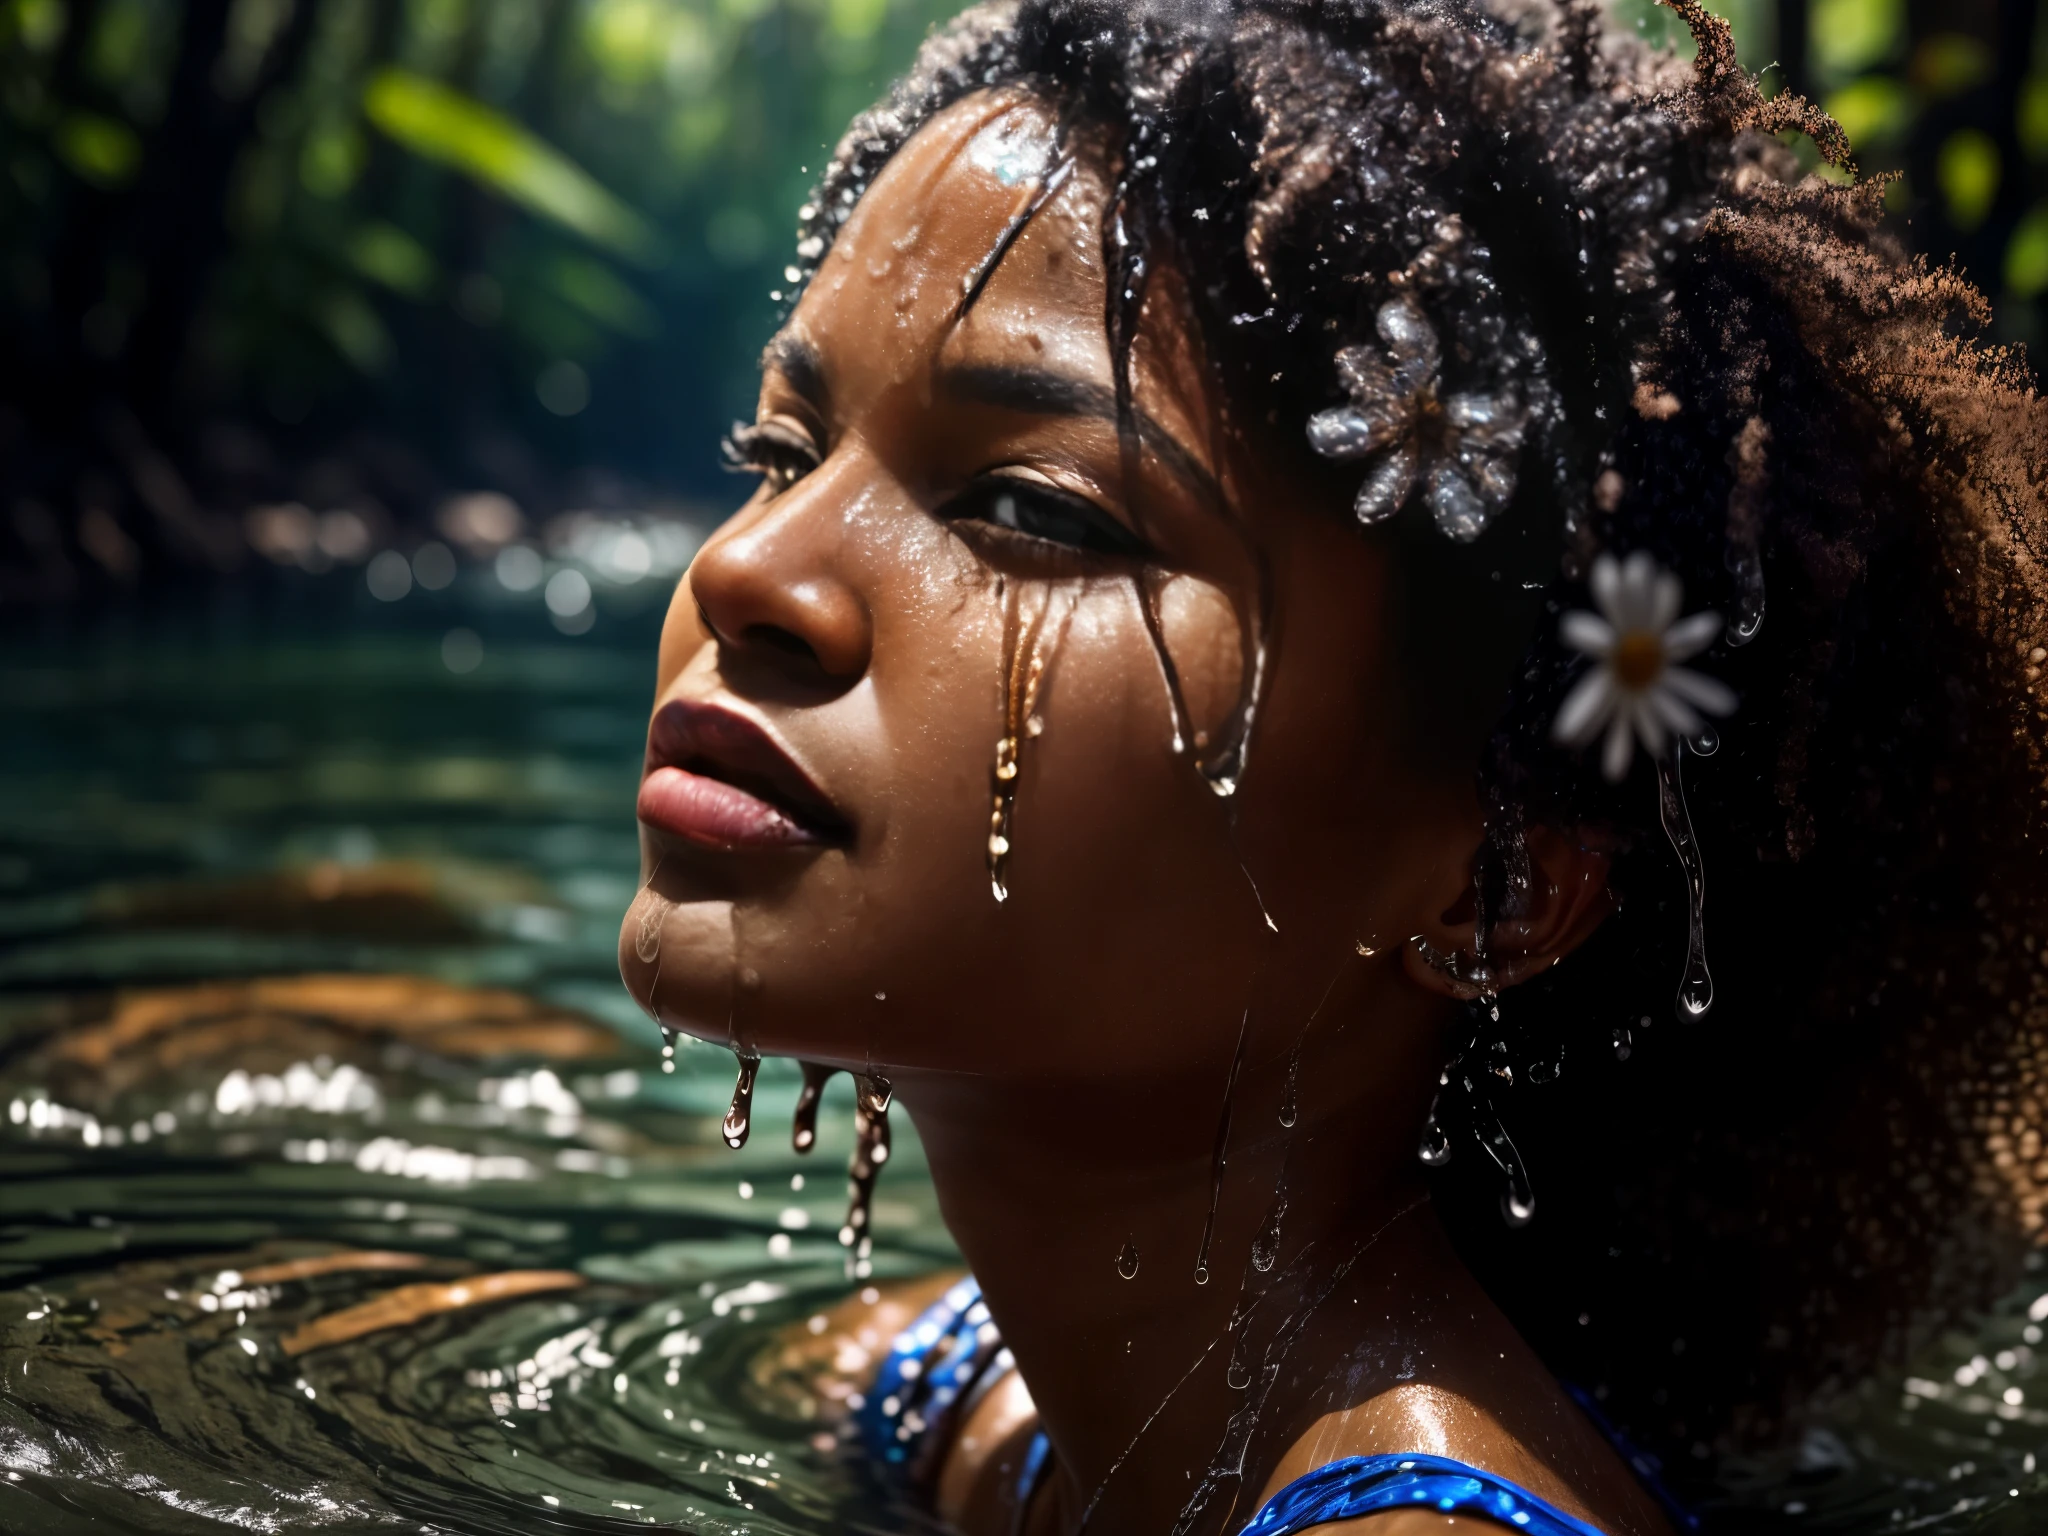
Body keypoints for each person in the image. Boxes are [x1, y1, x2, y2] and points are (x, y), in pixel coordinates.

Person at [619, 0, 2048, 1530]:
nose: (752, 569)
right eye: (780, 451)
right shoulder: (1005, 1411)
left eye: (1037, 511)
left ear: (1497, 888)